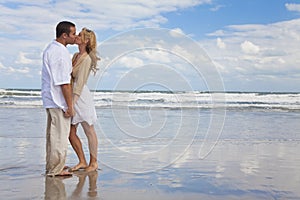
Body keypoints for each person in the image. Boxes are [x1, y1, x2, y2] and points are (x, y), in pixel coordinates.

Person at [41, 21, 76, 176]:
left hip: (51, 98)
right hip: (58, 100)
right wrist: (70, 106)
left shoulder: (51, 48)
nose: (75, 37)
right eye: (73, 34)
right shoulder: (61, 53)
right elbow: (64, 83)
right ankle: (56, 169)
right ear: (64, 35)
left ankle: (53, 166)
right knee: (59, 137)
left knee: (53, 135)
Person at [68, 28, 100, 172]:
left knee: (89, 130)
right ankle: (82, 161)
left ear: (86, 40)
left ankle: (93, 163)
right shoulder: (75, 55)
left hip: (80, 96)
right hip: (72, 93)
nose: (76, 37)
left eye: (79, 35)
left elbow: (80, 83)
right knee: (70, 132)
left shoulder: (87, 58)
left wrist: (72, 104)